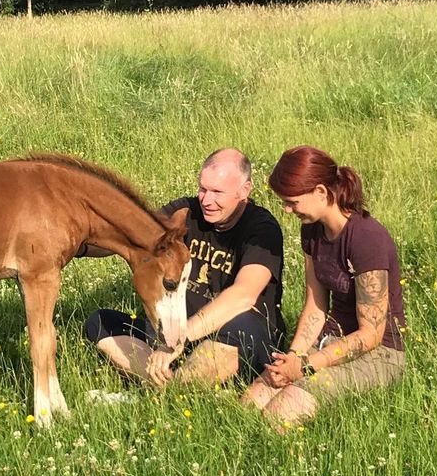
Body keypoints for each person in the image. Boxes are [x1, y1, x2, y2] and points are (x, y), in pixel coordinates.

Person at [82, 148, 285, 388]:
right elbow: (133, 235)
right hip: (176, 334)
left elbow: (243, 295)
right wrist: (78, 245)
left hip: (229, 335)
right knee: (100, 322)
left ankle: (172, 390)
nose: (207, 200)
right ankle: (170, 385)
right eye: (203, 189)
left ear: (245, 190)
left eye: (218, 192)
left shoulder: (261, 228)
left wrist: (180, 338)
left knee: (244, 329)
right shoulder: (185, 211)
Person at [244, 145, 406, 429]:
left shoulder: (367, 239)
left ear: (321, 192)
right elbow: (316, 306)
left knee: (278, 414)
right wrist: (291, 358)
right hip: (328, 343)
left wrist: (306, 367)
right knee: (251, 402)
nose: (287, 209)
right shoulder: (312, 230)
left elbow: (371, 335)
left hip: (380, 356)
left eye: (292, 201)